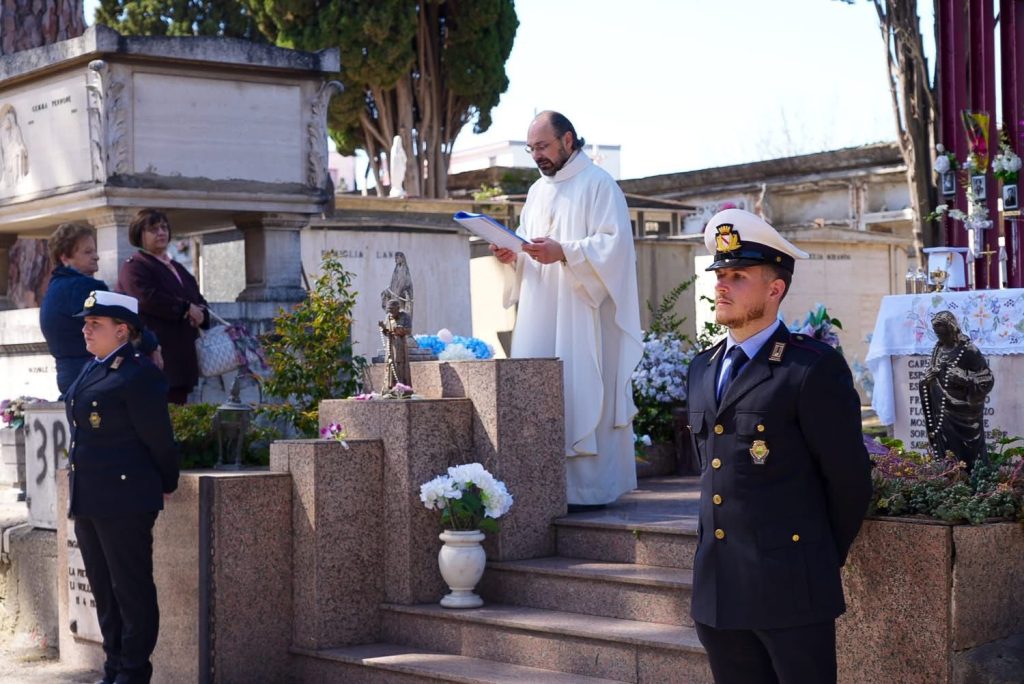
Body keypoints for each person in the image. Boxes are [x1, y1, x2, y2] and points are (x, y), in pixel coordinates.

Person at [685, 209, 872, 683]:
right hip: (718, 590)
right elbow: (711, 469)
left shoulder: (809, 369)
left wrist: (812, 559)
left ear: (775, 289)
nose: (721, 286)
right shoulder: (703, 368)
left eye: (738, 276)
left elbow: (849, 481)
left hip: (791, 588)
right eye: (720, 274)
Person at [491, 111, 643, 508]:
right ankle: (543, 487)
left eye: (543, 146)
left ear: (569, 140)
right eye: (531, 149)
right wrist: (513, 255)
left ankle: (589, 492)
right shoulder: (538, 191)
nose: (537, 156)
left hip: (582, 314)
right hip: (541, 312)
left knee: (579, 388)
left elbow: (615, 248)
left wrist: (566, 253)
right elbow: (529, 248)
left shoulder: (600, 185)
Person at [65, 290, 179, 684]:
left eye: (95, 324)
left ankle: (133, 672)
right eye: (85, 323)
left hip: (125, 500)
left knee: (131, 591)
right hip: (91, 498)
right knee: (104, 592)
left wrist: (167, 481)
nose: (85, 329)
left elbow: (159, 439)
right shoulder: (93, 367)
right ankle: (114, 666)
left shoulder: (138, 374)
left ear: (122, 330)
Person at [40, 222, 161, 395]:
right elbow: (123, 323)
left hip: (70, 376)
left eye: (94, 250)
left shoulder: (53, 288)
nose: (96, 256)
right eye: (87, 252)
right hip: (97, 376)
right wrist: (152, 345)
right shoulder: (84, 287)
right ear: (64, 258)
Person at [117, 209, 209, 404]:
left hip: (182, 358)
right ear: (139, 234)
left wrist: (201, 313)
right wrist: (185, 308)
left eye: (164, 227)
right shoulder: (134, 266)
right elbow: (146, 299)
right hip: (155, 356)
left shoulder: (178, 268)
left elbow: (196, 298)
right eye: (153, 229)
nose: (161, 232)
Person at [919, 310, 994, 470]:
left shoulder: (968, 350)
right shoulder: (938, 349)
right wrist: (926, 380)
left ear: (952, 329)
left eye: (944, 335)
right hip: (941, 410)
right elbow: (932, 375)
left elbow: (987, 379)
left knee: (968, 451)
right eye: (938, 335)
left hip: (965, 414)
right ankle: (950, 478)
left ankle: (972, 478)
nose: (941, 339)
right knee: (946, 446)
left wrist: (964, 380)